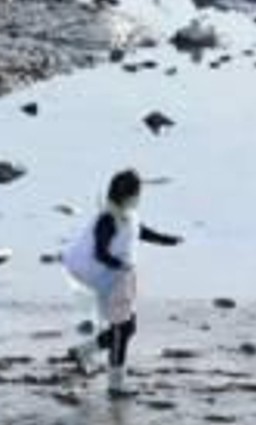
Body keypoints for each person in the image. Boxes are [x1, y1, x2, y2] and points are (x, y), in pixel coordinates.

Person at [61, 168, 182, 397]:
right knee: (121, 330)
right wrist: (118, 265)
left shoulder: (127, 214)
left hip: (123, 278)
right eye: (137, 192)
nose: (139, 197)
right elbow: (100, 252)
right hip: (110, 280)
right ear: (128, 194)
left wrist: (166, 239)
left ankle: (82, 352)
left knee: (128, 327)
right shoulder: (107, 219)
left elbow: (139, 232)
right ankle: (115, 386)